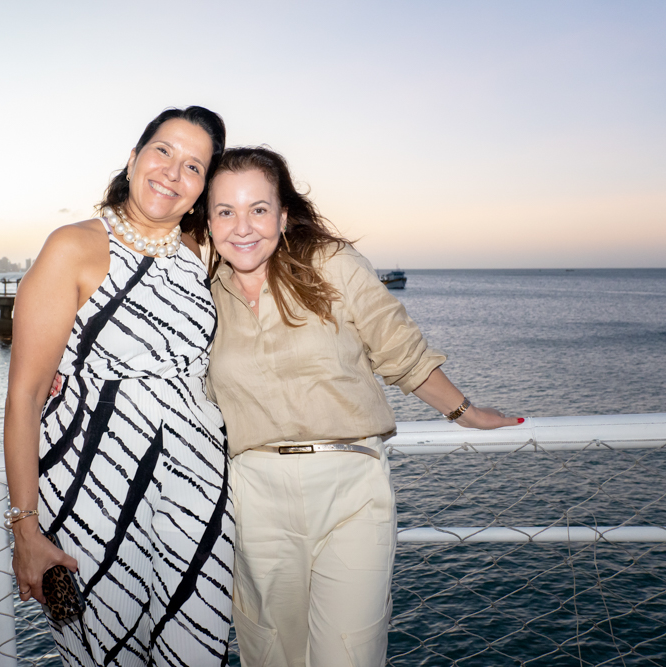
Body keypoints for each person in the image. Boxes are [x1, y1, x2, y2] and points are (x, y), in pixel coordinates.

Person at [204, 146, 522, 667]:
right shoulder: (199, 292)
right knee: (271, 653)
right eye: (226, 211)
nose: (243, 226)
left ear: (283, 216)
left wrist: (465, 411)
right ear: (209, 220)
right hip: (251, 495)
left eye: (258, 209)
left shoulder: (331, 265)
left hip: (351, 488)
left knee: (351, 654)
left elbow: (399, 350)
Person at [3, 107, 234, 667]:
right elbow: (25, 396)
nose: (172, 173)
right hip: (92, 484)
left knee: (196, 650)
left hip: (197, 485)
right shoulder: (74, 246)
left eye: (193, 167)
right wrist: (25, 528)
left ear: (203, 187)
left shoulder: (203, 254)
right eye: (162, 151)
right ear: (132, 159)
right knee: (107, 652)